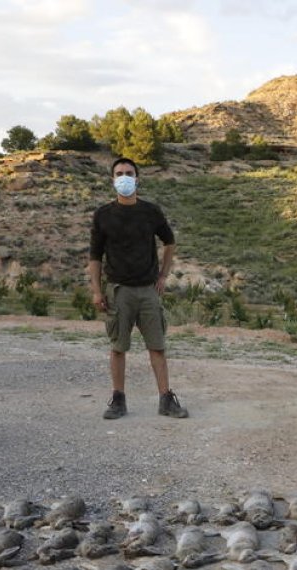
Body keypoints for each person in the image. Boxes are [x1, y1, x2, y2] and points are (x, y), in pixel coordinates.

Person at [88, 157, 188, 420]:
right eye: (119, 173)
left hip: (148, 290)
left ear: (137, 178)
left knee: (157, 346)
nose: (124, 177)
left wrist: (164, 275)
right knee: (118, 346)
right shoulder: (103, 215)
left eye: (129, 173)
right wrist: (97, 291)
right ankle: (118, 399)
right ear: (112, 180)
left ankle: (166, 398)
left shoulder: (151, 211)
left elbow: (169, 242)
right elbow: (95, 256)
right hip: (118, 290)